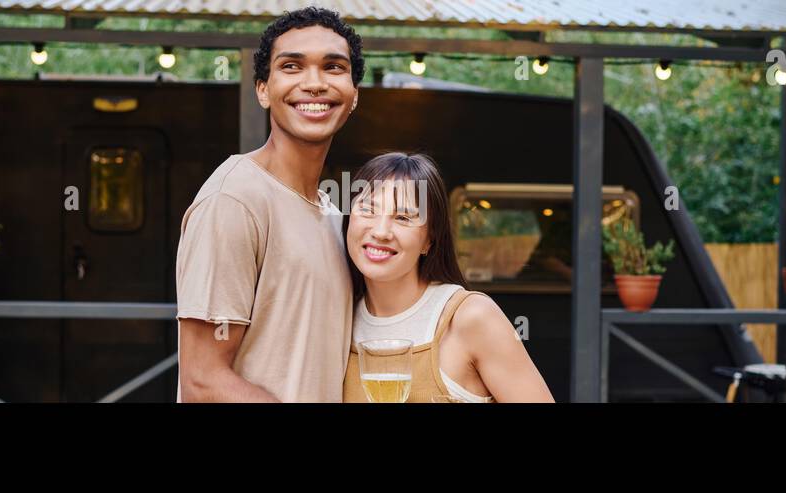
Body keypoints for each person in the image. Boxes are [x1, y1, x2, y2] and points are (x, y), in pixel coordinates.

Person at [176, 7, 363, 402]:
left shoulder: (333, 214)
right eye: (292, 66)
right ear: (263, 89)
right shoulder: (234, 199)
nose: (314, 83)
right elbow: (203, 380)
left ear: (354, 94)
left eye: (333, 67)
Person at [342, 153, 554, 403]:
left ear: (429, 239)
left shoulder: (470, 316)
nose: (380, 232)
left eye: (403, 218)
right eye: (368, 210)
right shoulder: (338, 322)